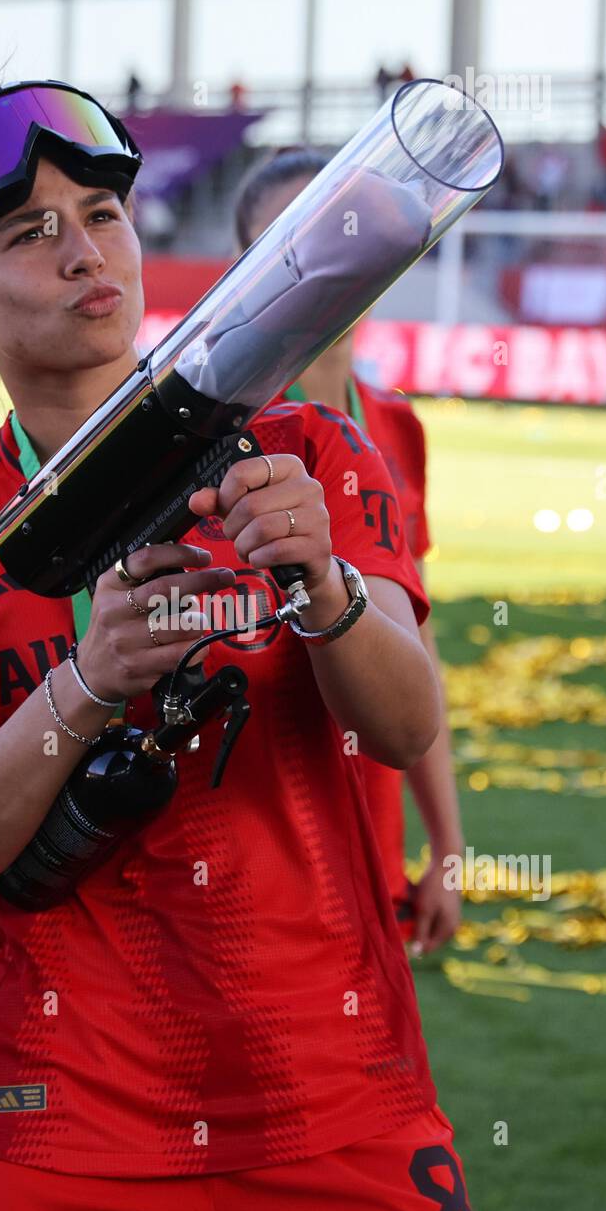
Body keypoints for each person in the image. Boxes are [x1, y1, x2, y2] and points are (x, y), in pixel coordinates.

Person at [0, 66, 491, 1211]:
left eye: (102, 215)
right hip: (48, 1123)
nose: (82, 252)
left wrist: (325, 586)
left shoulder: (308, 449)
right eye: (29, 232)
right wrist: (86, 681)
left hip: (336, 1101)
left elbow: (406, 726)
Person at [232, 148, 465, 956]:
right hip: (263, 824)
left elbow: (416, 636)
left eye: (346, 228)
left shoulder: (394, 424)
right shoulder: (226, 428)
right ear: (246, 266)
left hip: (374, 795)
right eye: (292, 237)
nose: (328, 254)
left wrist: (448, 842)